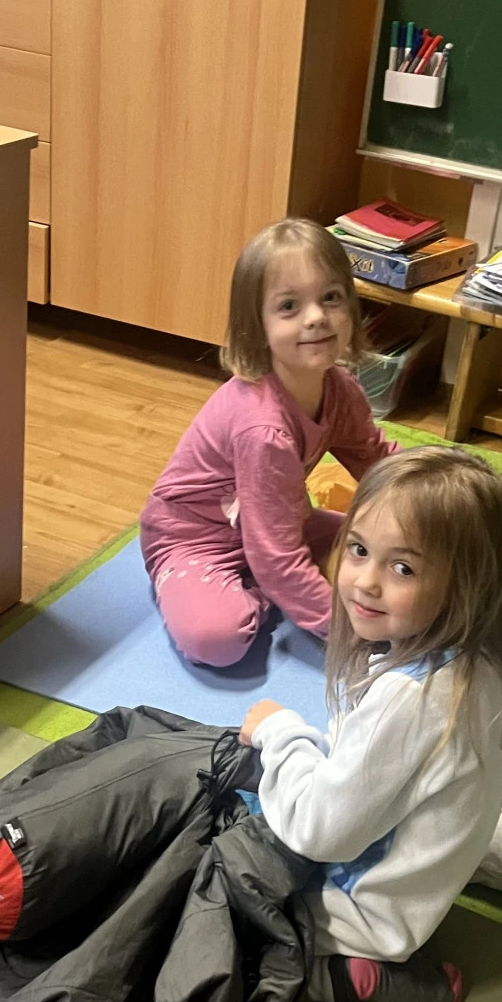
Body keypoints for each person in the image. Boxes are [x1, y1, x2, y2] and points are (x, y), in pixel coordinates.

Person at [240, 446, 502, 1002]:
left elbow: (318, 832)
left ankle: (340, 974)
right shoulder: (479, 665)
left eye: (403, 569)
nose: (365, 582)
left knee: (187, 911)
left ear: (467, 586)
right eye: (359, 550)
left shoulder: (413, 699)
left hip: (356, 913)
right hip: (403, 901)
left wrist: (281, 732)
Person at [140, 218, 396, 668]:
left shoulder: (341, 388)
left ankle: (271, 582)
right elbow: (278, 560)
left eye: (331, 297)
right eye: (289, 306)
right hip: (195, 540)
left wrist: (440, 497)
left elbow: (378, 463)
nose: (316, 317)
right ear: (256, 327)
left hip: (278, 524)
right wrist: (349, 634)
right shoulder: (263, 430)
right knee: (217, 639)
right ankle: (249, 591)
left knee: (389, 551)